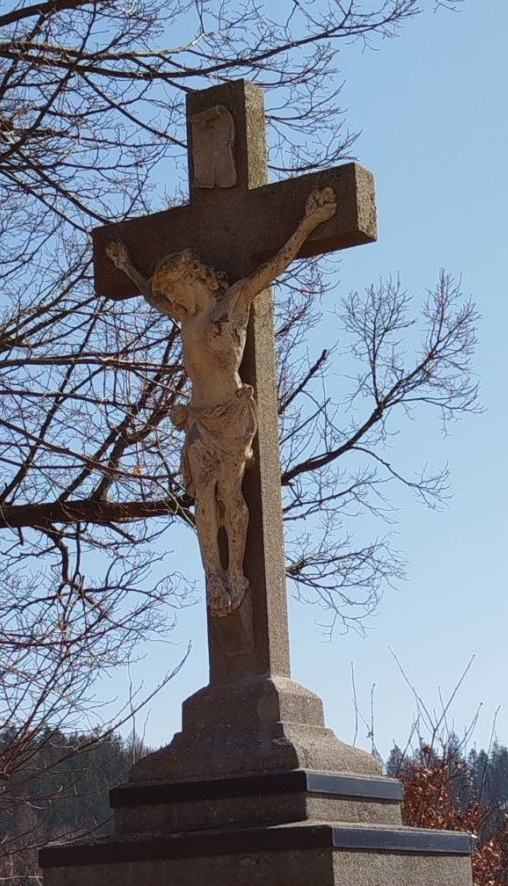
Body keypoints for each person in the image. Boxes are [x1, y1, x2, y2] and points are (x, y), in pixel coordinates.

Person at [107, 185, 337, 615]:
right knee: (203, 497)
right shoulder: (186, 318)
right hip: (197, 418)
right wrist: (127, 267)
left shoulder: (234, 302)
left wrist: (309, 223)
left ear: (190, 278)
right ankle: (212, 574)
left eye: (174, 289)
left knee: (230, 493)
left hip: (232, 415)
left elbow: (274, 266)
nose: (171, 300)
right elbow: (152, 298)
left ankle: (236, 571)